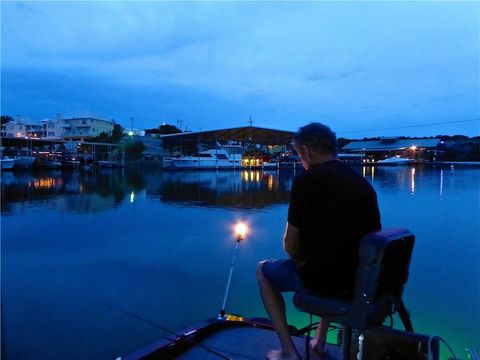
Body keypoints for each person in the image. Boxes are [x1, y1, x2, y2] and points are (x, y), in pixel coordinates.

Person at [257, 122, 381, 360]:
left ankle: (287, 351)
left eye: (298, 153)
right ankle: (320, 341)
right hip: (359, 281)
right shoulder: (363, 184)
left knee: (263, 272)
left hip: (324, 282)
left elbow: (290, 246)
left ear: (305, 151)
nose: (300, 159)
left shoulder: (307, 180)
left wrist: (298, 257)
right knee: (331, 260)